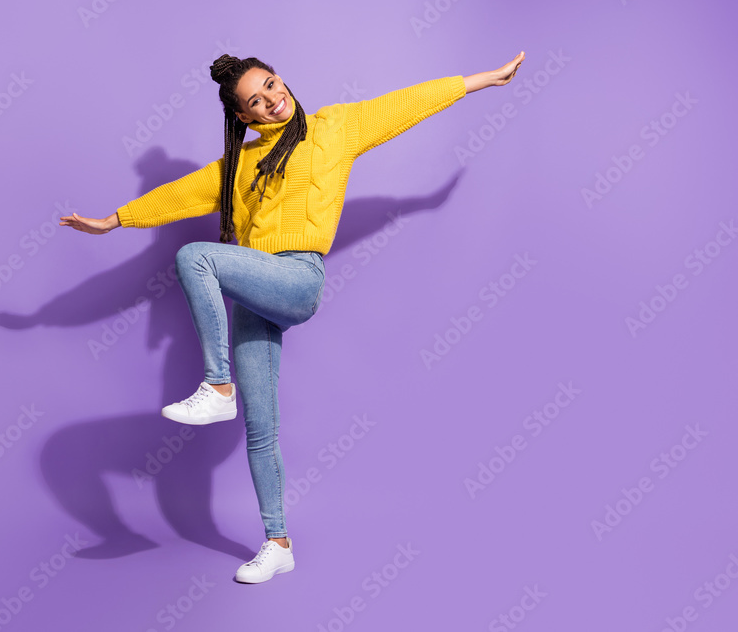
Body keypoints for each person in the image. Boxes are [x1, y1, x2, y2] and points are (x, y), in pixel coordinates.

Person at [61, 50, 525, 583]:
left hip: (298, 279)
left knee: (194, 256)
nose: (272, 100)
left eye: (273, 85)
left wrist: (483, 80)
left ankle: (217, 386)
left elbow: (405, 104)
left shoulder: (335, 129)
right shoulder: (241, 165)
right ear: (245, 117)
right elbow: (183, 193)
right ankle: (277, 543)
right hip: (253, 284)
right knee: (261, 429)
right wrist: (115, 220)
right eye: (256, 101)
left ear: (283, 80)